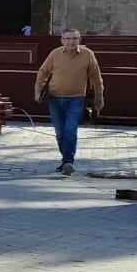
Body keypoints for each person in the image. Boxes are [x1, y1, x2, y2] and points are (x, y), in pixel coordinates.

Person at [35, 28, 105, 175]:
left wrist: (99, 97)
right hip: (55, 98)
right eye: (67, 38)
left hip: (76, 98)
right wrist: (38, 90)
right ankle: (65, 159)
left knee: (70, 128)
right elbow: (43, 72)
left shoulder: (87, 55)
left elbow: (96, 78)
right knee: (60, 132)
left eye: (74, 38)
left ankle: (68, 161)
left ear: (79, 40)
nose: (71, 42)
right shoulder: (55, 53)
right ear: (62, 40)